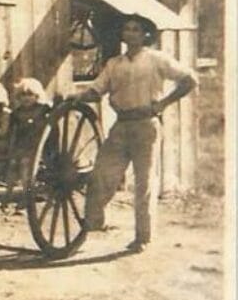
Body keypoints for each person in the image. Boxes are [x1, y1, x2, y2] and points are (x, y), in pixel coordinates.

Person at [74, 13, 197, 252]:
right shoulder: (114, 64)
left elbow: (189, 80)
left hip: (146, 125)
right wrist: (76, 97)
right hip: (121, 125)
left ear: (145, 35)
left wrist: (164, 103)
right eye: (127, 29)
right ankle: (94, 222)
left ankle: (143, 238)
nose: (130, 33)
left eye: (136, 30)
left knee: (144, 183)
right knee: (102, 174)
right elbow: (96, 91)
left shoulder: (156, 59)